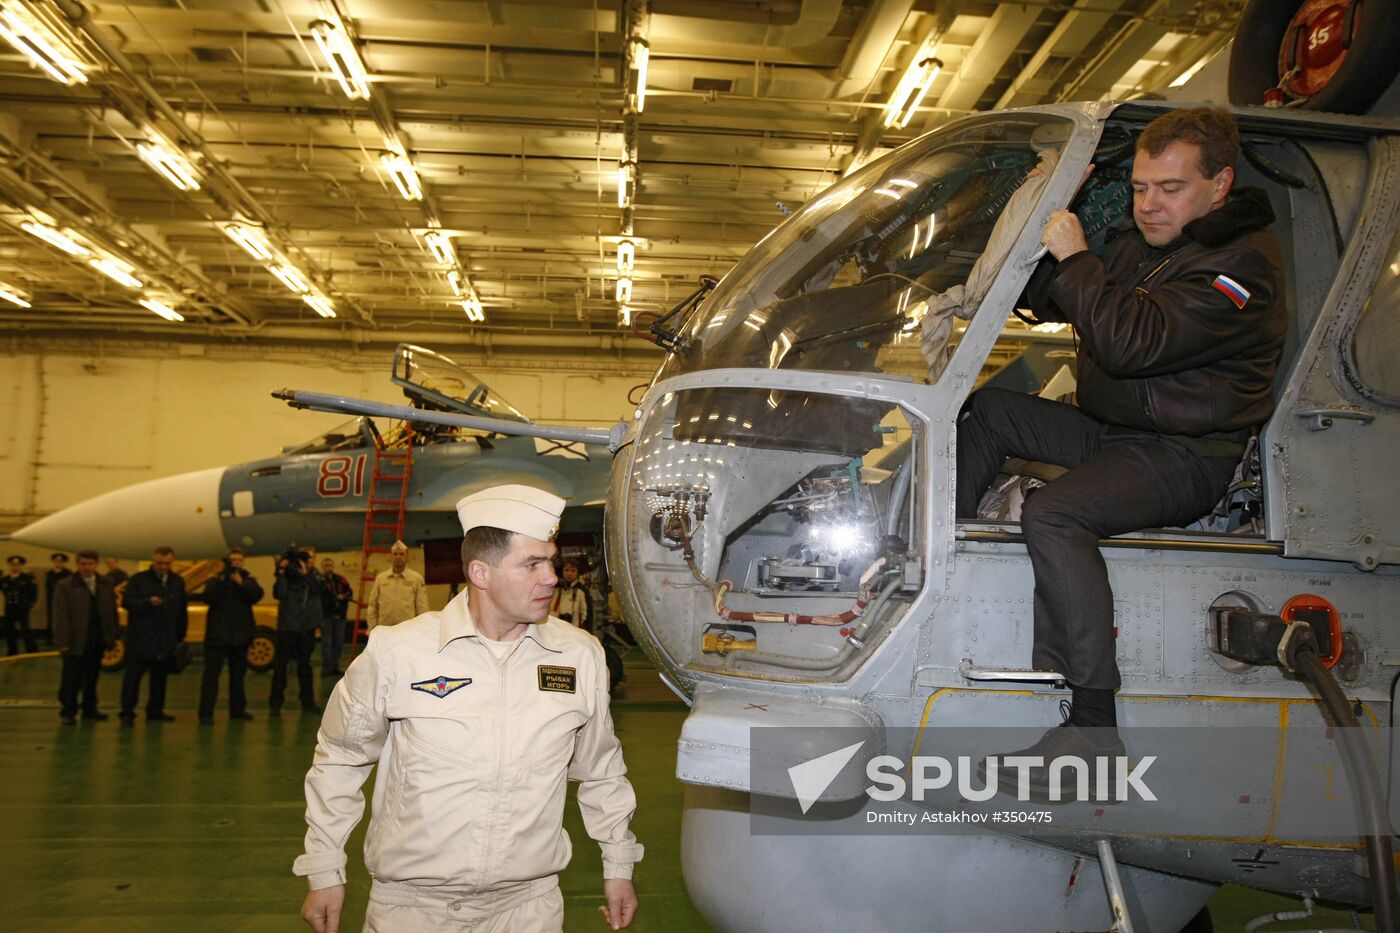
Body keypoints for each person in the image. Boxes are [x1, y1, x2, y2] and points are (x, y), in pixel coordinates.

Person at [957, 107, 1286, 783]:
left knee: (1055, 512)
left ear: (1219, 184)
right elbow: (1067, 299)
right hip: (1115, 431)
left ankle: (1092, 725)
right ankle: (940, 570)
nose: (1149, 205)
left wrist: (1077, 257)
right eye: (1140, 188)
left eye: (1170, 188)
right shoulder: (1147, 245)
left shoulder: (1241, 271)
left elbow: (1132, 341)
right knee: (986, 412)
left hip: (1185, 455)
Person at [295, 484, 643, 933]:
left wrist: (618, 863)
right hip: (413, 910)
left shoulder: (579, 657)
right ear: (481, 573)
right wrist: (325, 868)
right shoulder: (398, 653)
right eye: (532, 564)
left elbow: (601, 768)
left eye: (551, 561)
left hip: (529, 909)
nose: (552, 577)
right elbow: (339, 757)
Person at [120, 546, 188, 723]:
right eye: (159, 563)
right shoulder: (138, 580)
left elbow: (182, 610)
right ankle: (127, 712)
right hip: (140, 638)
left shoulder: (177, 582)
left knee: (160, 679)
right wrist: (147, 603)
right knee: (132, 679)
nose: (163, 567)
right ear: (153, 561)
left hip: (164, 639)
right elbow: (127, 603)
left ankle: (155, 710)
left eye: (167, 563)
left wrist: (180, 636)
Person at [51, 550, 118, 723]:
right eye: (83, 564)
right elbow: (60, 616)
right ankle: (68, 711)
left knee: (92, 676)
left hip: (97, 639)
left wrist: (111, 638)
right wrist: (63, 641)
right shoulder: (65, 586)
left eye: (90, 564)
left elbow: (111, 613)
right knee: (71, 678)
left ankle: (90, 708)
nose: (86, 567)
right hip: (75, 640)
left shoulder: (106, 584)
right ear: (77, 564)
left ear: (96, 564)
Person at [199, 548, 264, 724]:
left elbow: (256, 595)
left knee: (238, 677)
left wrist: (241, 583)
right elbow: (208, 597)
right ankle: (205, 713)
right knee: (211, 677)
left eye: (238, 559)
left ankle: (237, 710)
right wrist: (221, 580)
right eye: (232, 559)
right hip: (217, 637)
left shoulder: (248, 580)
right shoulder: (217, 580)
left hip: (240, 637)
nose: (235, 562)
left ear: (243, 561)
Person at [270, 548, 322, 715]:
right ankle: (275, 704)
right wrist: (281, 571)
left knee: (305, 668)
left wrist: (305, 573)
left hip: (306, 629)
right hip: (287, 629)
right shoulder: (286, 574)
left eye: (309, 558)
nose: (306, 562)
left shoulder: (314, 575)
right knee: (280, 668)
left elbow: (319, 590)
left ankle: (307, 703)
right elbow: (280, 593)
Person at [364, 541, 428, 631]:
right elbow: (372, 606)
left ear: (407, 557)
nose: (398, 557)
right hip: (385, 630)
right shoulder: (381, 578)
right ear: (390, 556)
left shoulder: (416, 578)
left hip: (407, 630)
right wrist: (372, 629)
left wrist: (422, 629)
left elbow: (422, 608)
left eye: (402, 554)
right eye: (395, 554)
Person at [317, 558, 352, 676]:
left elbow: (349, 592)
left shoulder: (341, 579)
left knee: (338, 642)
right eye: (325, 565)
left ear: (333, 566)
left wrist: (343, 596)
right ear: (322, 567)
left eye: (330, 565)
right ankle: (326, 668)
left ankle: (335, 667)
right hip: (326, 617)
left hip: (340, 616)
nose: (328, 567)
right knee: (327, 643)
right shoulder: (319, 581)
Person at [2, 555, 39, 655]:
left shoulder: (27, 579)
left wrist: (30, 604)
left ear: (21, 566)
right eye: (13, 565)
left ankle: (31, 650)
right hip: (10, 608)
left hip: (22, 608)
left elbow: (33, 593)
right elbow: (4, 592)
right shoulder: (5, 579)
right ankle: (12, 651)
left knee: (25, 629)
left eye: (17, 565)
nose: (15, 567)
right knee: (9, 631)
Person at [549, 558, 592, 629]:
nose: (569, 573)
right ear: (562, 571)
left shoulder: (582, 590)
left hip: (575, 630)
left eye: (573, 571)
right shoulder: (555, 588)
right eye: (566, 570)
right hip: (555, 629)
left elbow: (588, 615)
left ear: (578, 573)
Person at [44, 552, 72, 646]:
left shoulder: (68, 574)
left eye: (60, 561)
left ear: (63, 562)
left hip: (64, 601)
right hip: (51, 600)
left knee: (64, 620)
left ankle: (64, 639)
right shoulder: (49, 574)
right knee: (51, 619)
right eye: (56, 561)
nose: (58, 563)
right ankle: (50, 638)